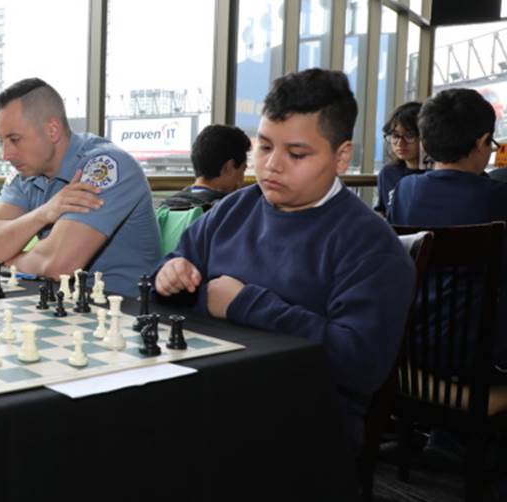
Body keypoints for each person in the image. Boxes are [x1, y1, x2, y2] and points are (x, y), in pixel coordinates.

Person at [154, 68, 414, 446]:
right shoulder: (231, 210)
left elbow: (361, 364)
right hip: (208, 397)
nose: (272, 164)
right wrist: (170, 272)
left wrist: (245, 303)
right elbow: (167, 279)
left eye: (295, 153)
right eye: (263, 147)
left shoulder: (371, 246)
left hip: (301, 427)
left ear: (342, 157)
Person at [0, 77, 159, 298]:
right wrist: (43, 214)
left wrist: (6, 261)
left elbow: (58, 264)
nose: (6, 154)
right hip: (67, 306)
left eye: (15, 139)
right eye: (1, 141)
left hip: (124, 314)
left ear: (53, 130)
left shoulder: (105, 167)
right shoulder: (27, 174)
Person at [388, 88, 507, 365]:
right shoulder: (498, 197)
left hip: (410, 349)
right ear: (482, 142)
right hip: (477, 357)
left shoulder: (404, 191)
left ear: (426, 144)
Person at [160, 124, 250, 211]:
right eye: (243, 169)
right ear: (228, 167)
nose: (242, 180)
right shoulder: (228, 211)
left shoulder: (165, 207)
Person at [375, 101, 425, 216]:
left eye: (409, 135)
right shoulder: (388, 173)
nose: (400, 143)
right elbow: (382, 210)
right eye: (395, 136)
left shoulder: (435, 174)